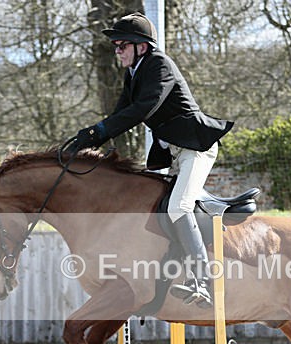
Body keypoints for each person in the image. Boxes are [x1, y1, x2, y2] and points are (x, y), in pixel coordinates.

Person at [72, 12, 233, 308]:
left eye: (122, 45)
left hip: (195, 148)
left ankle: (203, 280)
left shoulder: (160, 65)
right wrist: (92, 137)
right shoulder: (133, 73)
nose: (117, 51)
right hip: (174, 152)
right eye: (116, 46)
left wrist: (100, 130)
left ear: (141, 47)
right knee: (155, 206)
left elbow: (143, 109)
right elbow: (121, 113)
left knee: (178, 206)